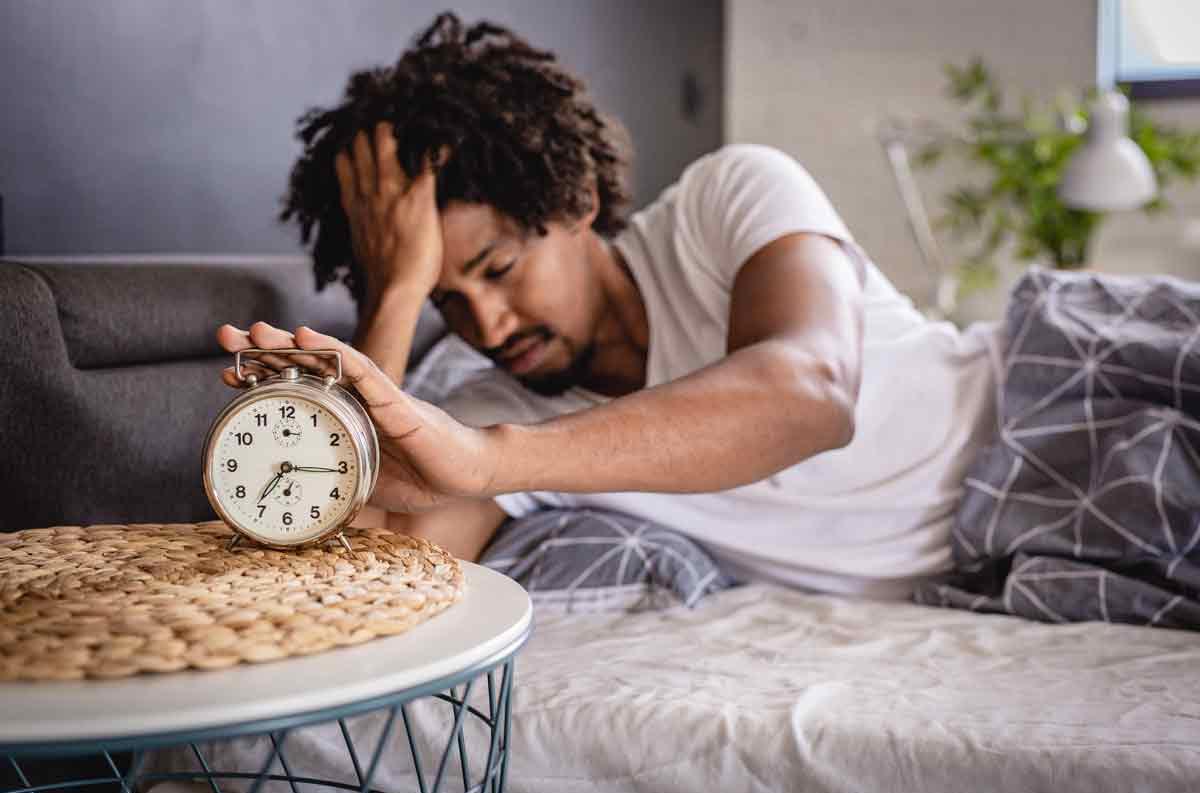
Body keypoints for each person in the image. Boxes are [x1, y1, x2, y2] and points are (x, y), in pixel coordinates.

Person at [217, 12, 1001, 600]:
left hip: (1023, 422)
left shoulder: (725, 201)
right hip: (992, 569)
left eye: (499, 268)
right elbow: (351, 575)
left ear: (578, 199)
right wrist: (392, 295)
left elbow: (812, 397)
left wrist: (490, 458)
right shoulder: (493, 409)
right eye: (445, 299)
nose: (487, 325)